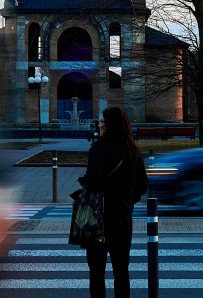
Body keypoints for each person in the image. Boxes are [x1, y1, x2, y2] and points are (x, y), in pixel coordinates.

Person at [79, 107, 148, 298]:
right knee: (121, 270)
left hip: (98, 220)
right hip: (122, 218)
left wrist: (85, 182)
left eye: (102, 122)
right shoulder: (133, 150)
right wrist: (127, 200)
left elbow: (93, 182)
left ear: (110, 125)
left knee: (96, 272)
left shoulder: (98, 148)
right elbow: (142, 185)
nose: (99, 125)